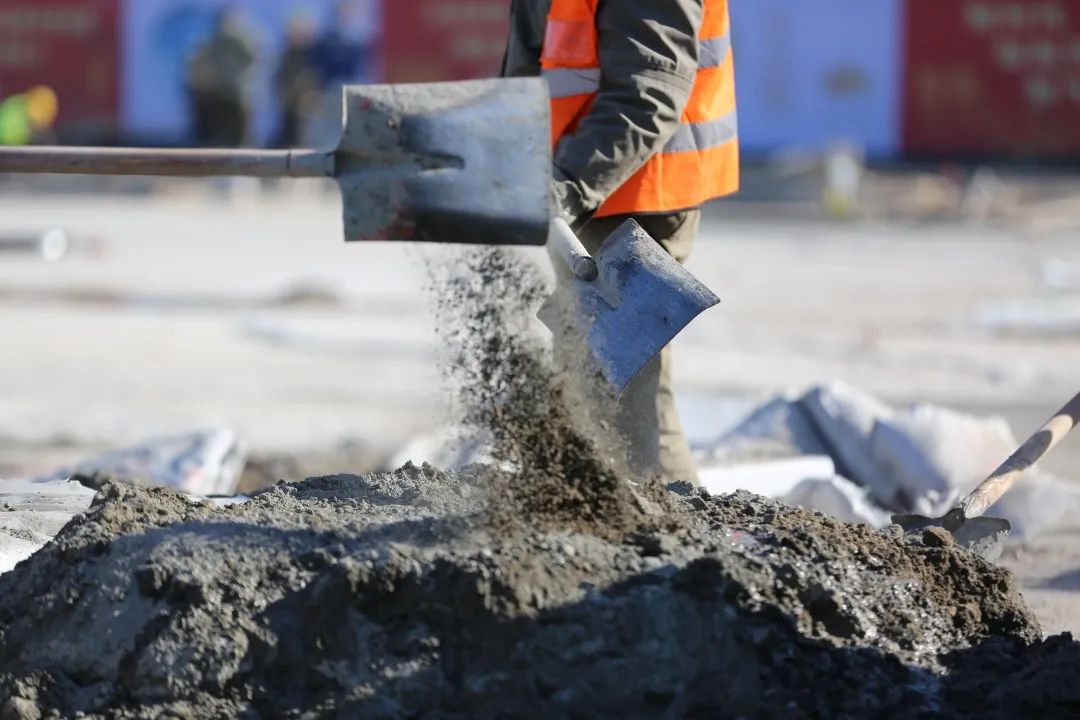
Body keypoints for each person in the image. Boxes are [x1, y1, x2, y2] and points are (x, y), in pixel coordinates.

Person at [502, 0, 740, 485]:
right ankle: (654, 510)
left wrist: (564, 185)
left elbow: (648, 93)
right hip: (590, 187)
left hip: (637, 194)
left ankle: (657, 513)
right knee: (613, 384)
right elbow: (534, 59)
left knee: (617, 396)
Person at [185, 7, 257, 148]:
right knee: (222, 134)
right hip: (223, 93)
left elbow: (251, 59)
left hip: (233, 93)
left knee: (234, 136)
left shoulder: (237, 41)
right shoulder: (216, 41)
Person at [275, 13, 319, 148]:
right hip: (290, 103)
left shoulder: (311, 53)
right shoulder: (288, 53)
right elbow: (282, 77)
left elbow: (313, 78)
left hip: (305, 103)